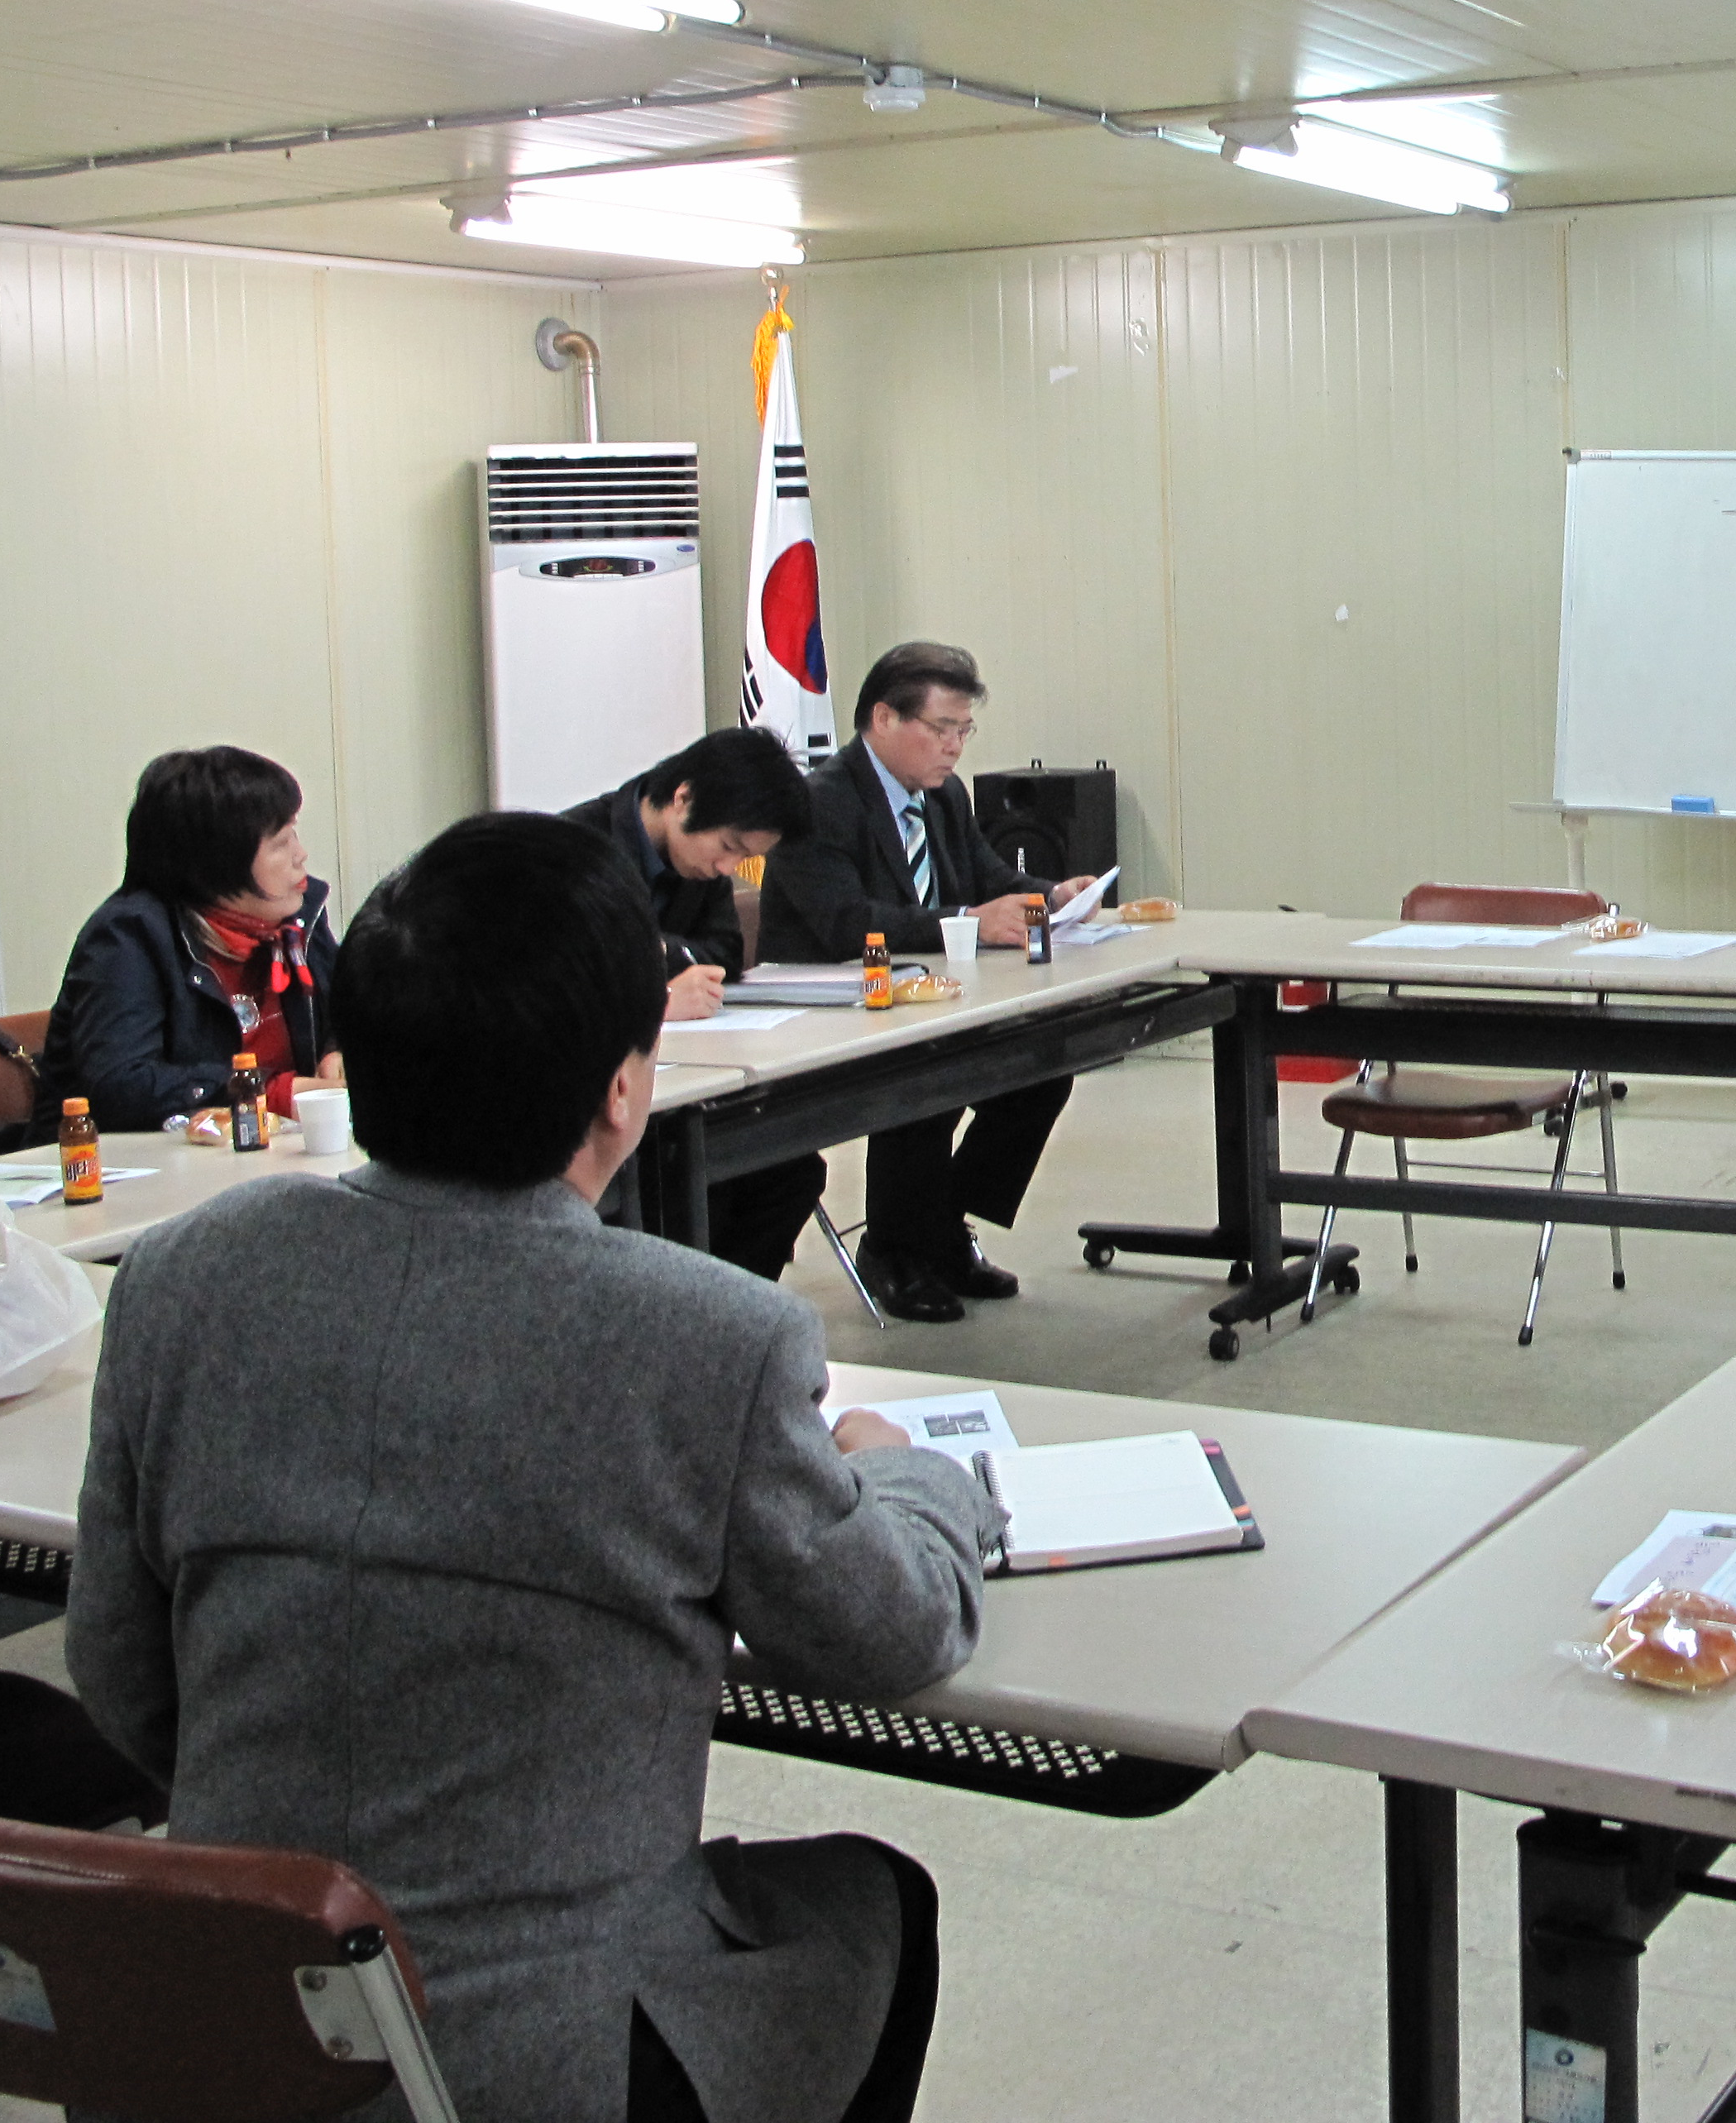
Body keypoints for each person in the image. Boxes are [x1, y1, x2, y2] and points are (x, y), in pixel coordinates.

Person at [69, 810, 993, 2123]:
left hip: (217, 2017)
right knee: (870, 1901)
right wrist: (913, 1480)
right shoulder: (707, 1339)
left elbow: (118, 1668)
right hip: (523, 2052)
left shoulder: (179, 1278)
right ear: (626, 1087)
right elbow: (891, 1633)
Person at [759, 643, 1094, 1318]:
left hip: (923, 995)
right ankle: (895, 1248)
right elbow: (844, 923)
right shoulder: (819, 804)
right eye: (941, 730)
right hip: (830, 1006)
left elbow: (989, 878)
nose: (954, 749)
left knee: (1044, 1063)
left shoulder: (941, 798)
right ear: (883, 718)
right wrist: (965, 922)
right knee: (925, 1077)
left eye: (964, 732)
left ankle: (937, 1228)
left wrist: (1051, 897)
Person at [41, 746, 340, 1131]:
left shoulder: (297, 919)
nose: (301, 855)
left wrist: (338, 1051)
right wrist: (268, 1092)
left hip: (268, 1154)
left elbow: (351, 1009)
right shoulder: (129, 937)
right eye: (280, 843)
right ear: (219, 863)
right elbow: (120, 1085)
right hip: (121, 1170)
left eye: (293, 834)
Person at [563, 727, 814, 1023]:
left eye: (745, 857)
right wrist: (659, 1001)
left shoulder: (701, 862)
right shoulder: (574, 848)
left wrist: (661, 951)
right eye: (729, 846)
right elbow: (567, 981)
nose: (728, 868)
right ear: (684, 798)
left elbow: (727, 956)